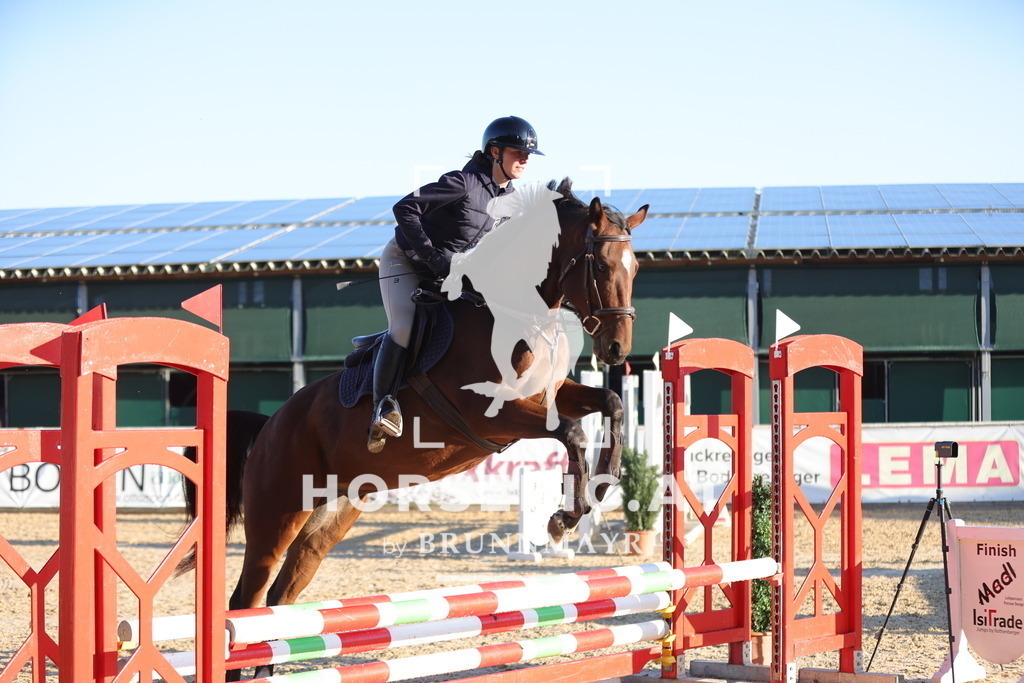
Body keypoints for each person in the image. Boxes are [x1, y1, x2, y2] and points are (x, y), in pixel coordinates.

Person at [368, 115, 544, 453]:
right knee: (404, 326)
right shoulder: (461, 183)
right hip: (405, 261)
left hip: (451, 272)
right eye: (518, 153)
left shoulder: (512, 201)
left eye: (528, 156)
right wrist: (429, 256)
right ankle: (383, 407)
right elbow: (404, 209)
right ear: (495, 152)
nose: (524, 160)